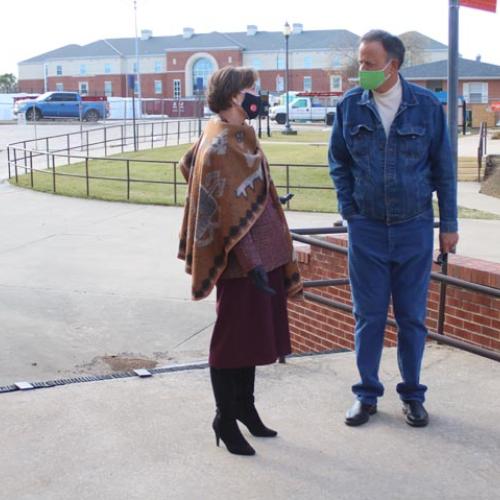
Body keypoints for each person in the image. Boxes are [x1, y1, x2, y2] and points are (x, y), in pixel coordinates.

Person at [329, 30, 459, 428]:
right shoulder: (351, 105)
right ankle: (367, 395)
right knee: (367, 316)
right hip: (367, 230)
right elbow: (339, 163)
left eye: (369, 62)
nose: (361, 69)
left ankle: (413, 394)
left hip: (414, 228)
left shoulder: (425, 106)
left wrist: (448, 225)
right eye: (361, 61)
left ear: (393, 65)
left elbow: (444, 170)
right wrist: (351, 211)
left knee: (412, 318)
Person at [178, 66, 302, 455]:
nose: (257, 95)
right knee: (230, 343)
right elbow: (215, 191)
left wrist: (261, 204)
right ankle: (224, 418)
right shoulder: (220, 144)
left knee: (249, 339)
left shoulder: (235, 135)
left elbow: (188, 164)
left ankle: (245, 409)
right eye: (251, 89)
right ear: (235, 96)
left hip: (264, 257)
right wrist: (251, 261)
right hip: (242, 264)